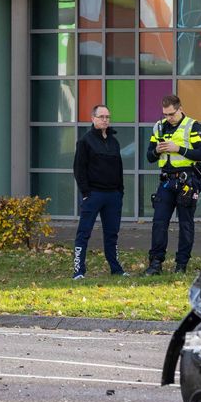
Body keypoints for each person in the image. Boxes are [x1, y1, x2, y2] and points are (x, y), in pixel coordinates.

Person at [146, 94, 201, 275]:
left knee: (185, 224)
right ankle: (155, 263)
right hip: (166, 181)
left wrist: (178, 148)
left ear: (180, 109)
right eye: (165, 114)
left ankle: (181, 265)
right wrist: (157, 150)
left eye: (171, 114)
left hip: (186, 181)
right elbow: (149, 156)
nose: (168, 118)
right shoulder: (158, 127)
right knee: (159, 222)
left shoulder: (193, 126)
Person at [71, 104, 128, 279]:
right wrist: (86, 192)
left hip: (113, 196)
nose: (105, 120)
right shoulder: (85, 141)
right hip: (94, 194)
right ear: (93, 118)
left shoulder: (114, 141)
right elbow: (79, 169)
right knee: (84, 232)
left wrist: (120, 191)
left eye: (107, 117)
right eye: (101, 117)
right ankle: (78, 270)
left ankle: (116, 269)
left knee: (112, 234)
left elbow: (119, 168)